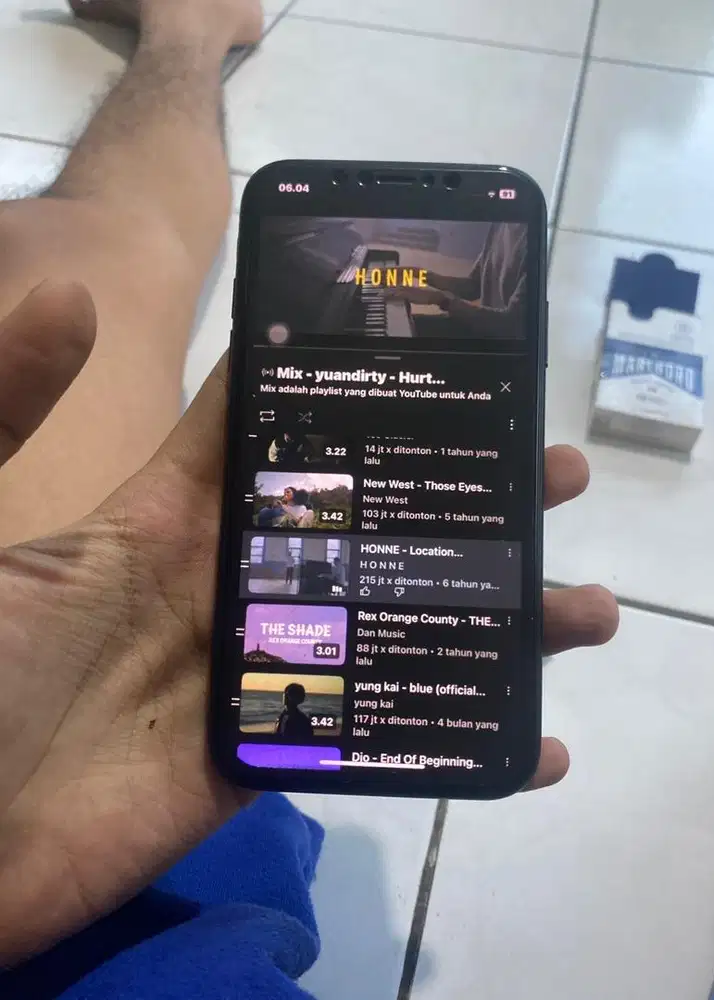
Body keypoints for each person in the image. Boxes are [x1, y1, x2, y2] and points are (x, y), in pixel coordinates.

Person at [0, 0, 623, 992]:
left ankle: (187, 30)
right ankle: (190, 34)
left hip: (128, 841)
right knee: (102, 251)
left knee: (77, 255)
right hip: (172, 867)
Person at [391, 222, 527, 338]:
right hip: (478, 327)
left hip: (496, 345)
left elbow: (510, 326)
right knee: (395, 326)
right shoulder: (500, 223)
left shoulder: (531, 243)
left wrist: (439, 299)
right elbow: (473, 286)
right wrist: (417, 274)